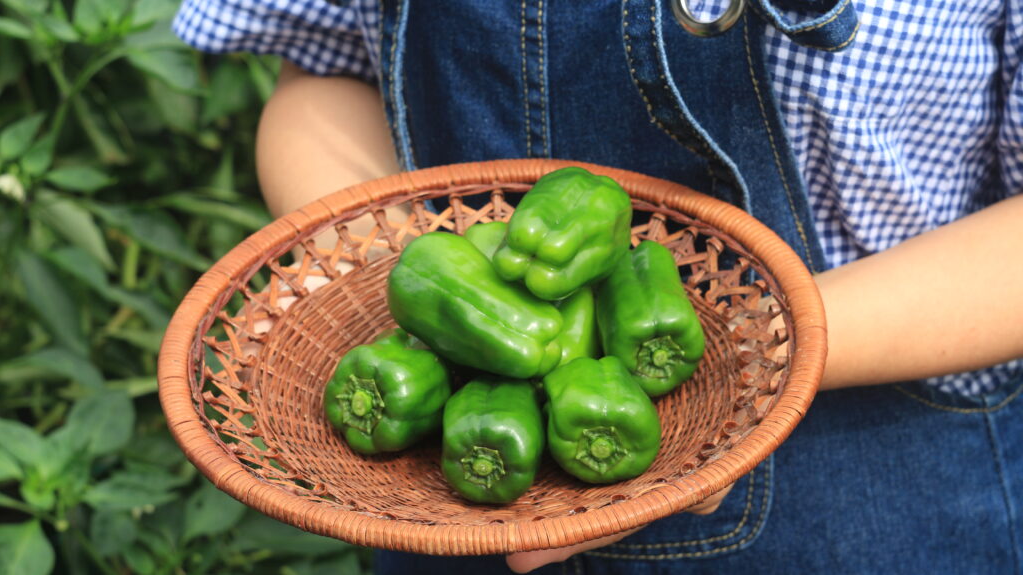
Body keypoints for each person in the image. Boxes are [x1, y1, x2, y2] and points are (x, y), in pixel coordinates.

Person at [173, 0, 1023, 573]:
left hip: (874, 483)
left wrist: (758, 364)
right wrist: (376, 270)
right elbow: (325, 67)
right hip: (447, 485)